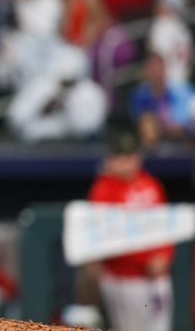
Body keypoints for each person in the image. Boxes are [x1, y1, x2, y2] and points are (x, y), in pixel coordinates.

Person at [88, 132, 174, 331]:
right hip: (124, 278)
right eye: (121, 157)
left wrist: (164, 256)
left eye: (131, 156)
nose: (127, 163)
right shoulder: (103, 190)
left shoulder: (151, 184)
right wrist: (143, 262)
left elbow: (165, 226)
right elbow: (107, 238)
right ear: (111, 160)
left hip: (158, 276)